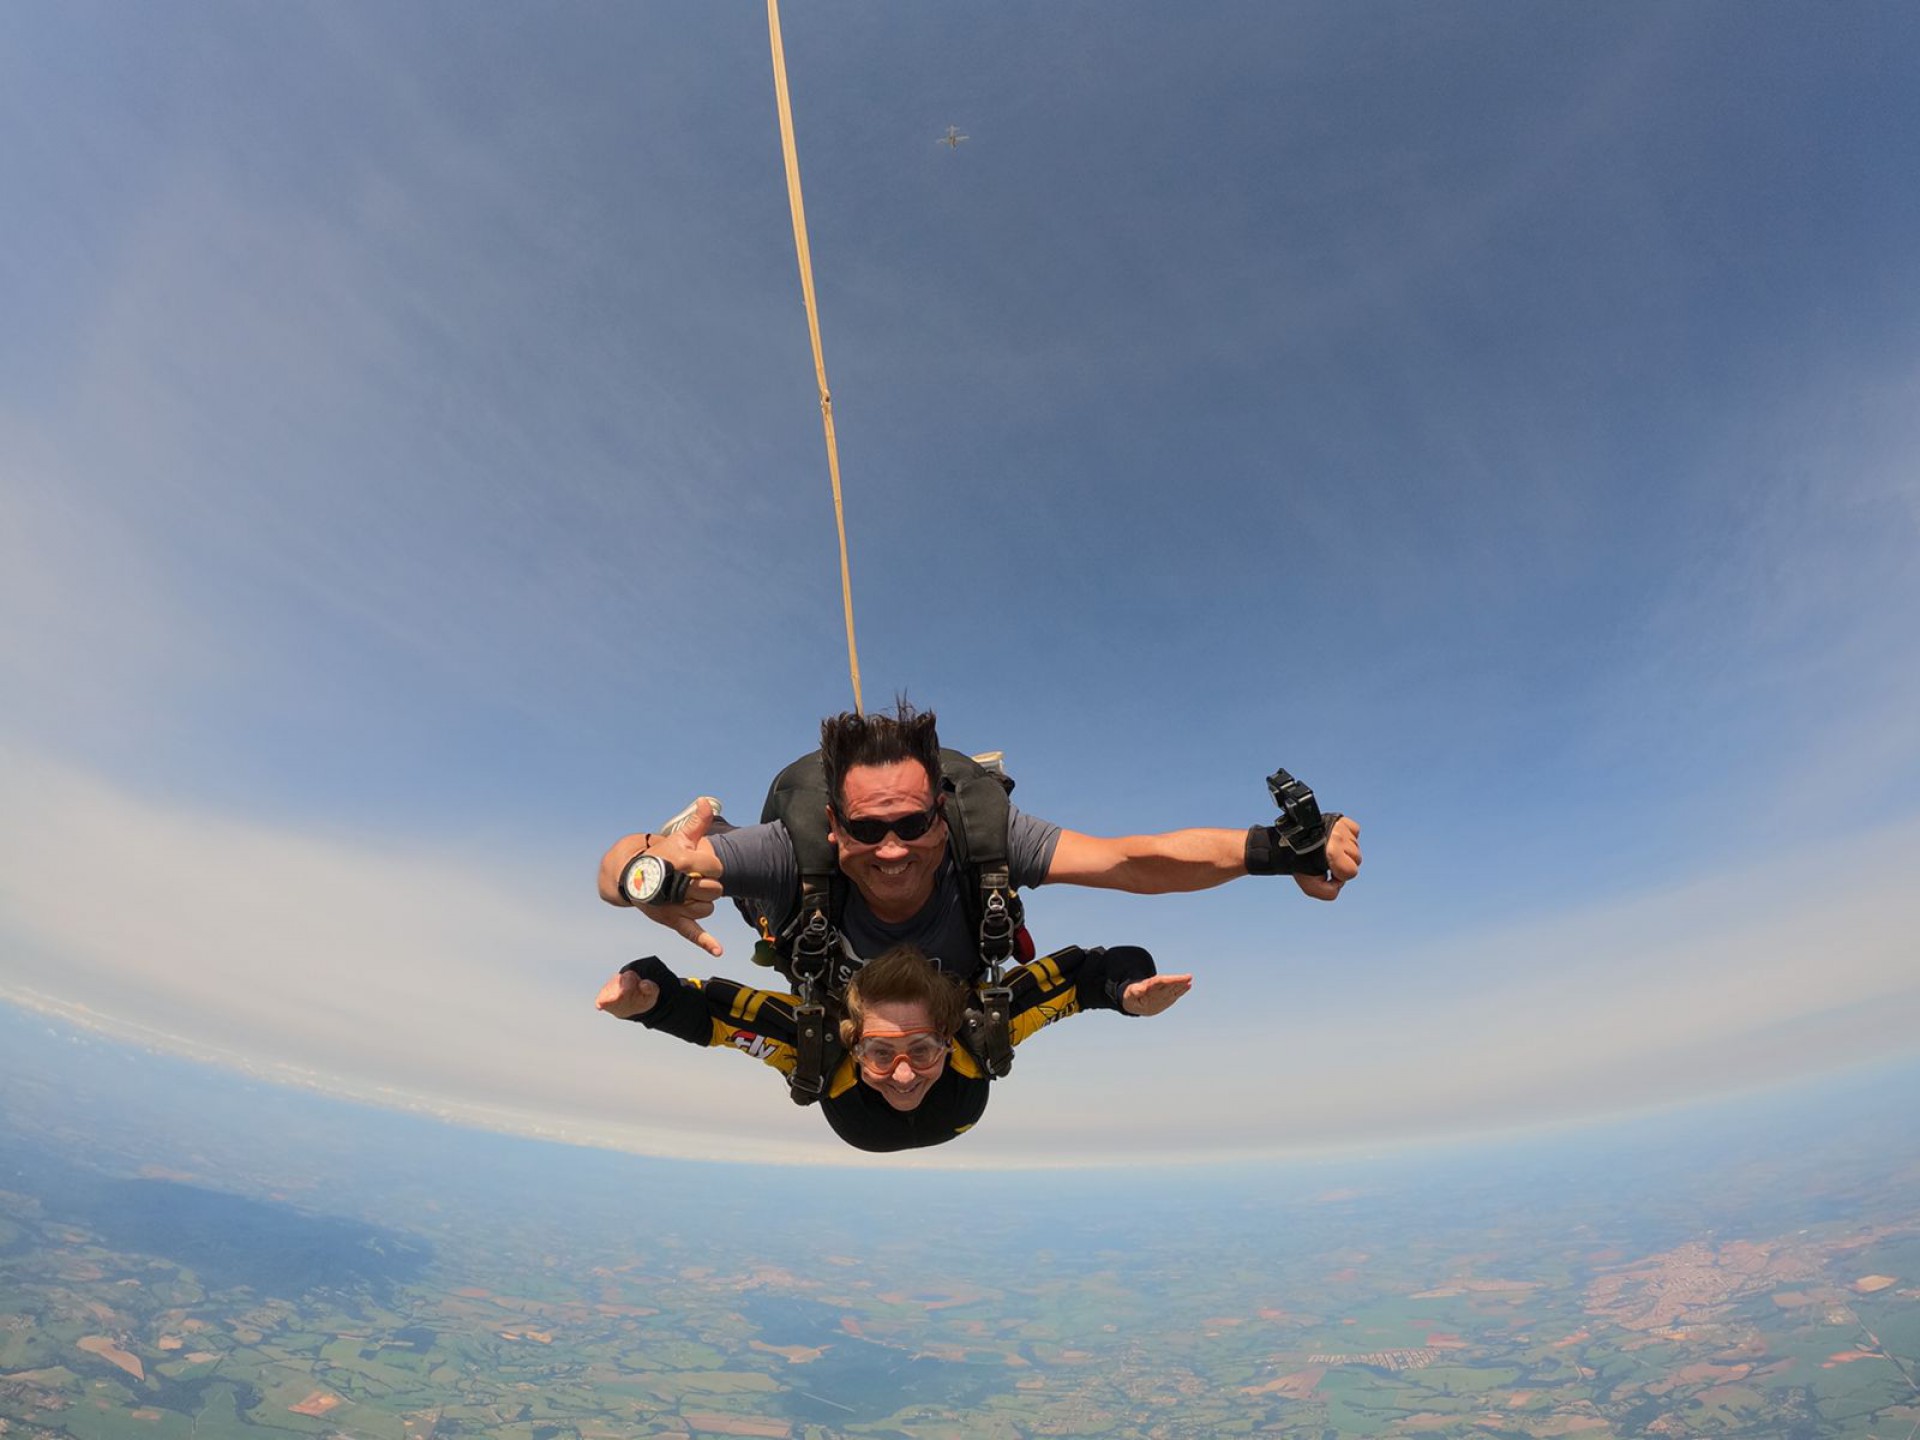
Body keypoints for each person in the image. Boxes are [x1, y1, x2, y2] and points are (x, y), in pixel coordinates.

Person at [596, 702, 1363, 981]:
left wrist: (1275, 851)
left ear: (943, 811)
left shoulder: (985, 838)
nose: (892, 848)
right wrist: (648, 881)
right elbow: (626, 857)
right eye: (866, 829)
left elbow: (1133, 862)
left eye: (912, 823)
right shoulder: (792, 852)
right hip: (842, 1007)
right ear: (833, 826)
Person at [595, 943, 1190, 1152]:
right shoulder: (818, 1049)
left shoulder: (984, 1029)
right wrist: (649, 996)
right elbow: (707, 1009)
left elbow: (1086, 972)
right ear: (854, 1044)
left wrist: (1125, 992)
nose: (904, 1075)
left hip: (873, 1120)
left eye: (924, 1050)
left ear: (949, 1033)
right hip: (938, 1113)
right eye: (882, 1055)